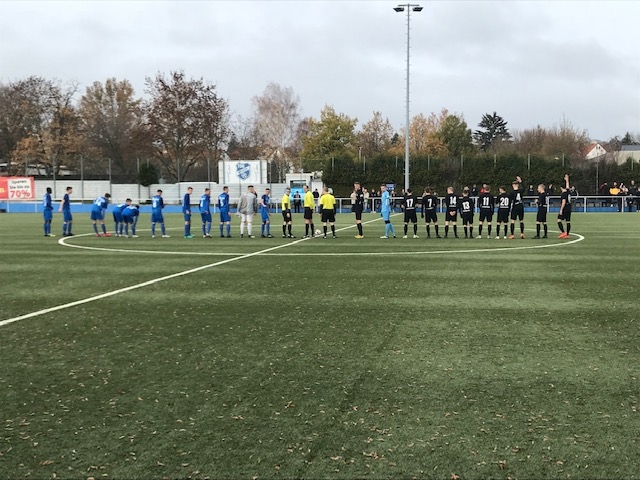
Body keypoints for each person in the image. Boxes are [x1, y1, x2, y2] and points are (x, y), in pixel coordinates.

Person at [557, 174, 572, 239]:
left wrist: (561, 210)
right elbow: (568, 186)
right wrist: (567, 180)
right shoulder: (568, 192)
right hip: (569, 207)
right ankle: (567, 235)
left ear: (561, 188)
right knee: (568, 221)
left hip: (565, 208)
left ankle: (563, 232)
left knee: (559, 220)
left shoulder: (563, 194)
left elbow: (563, 202)